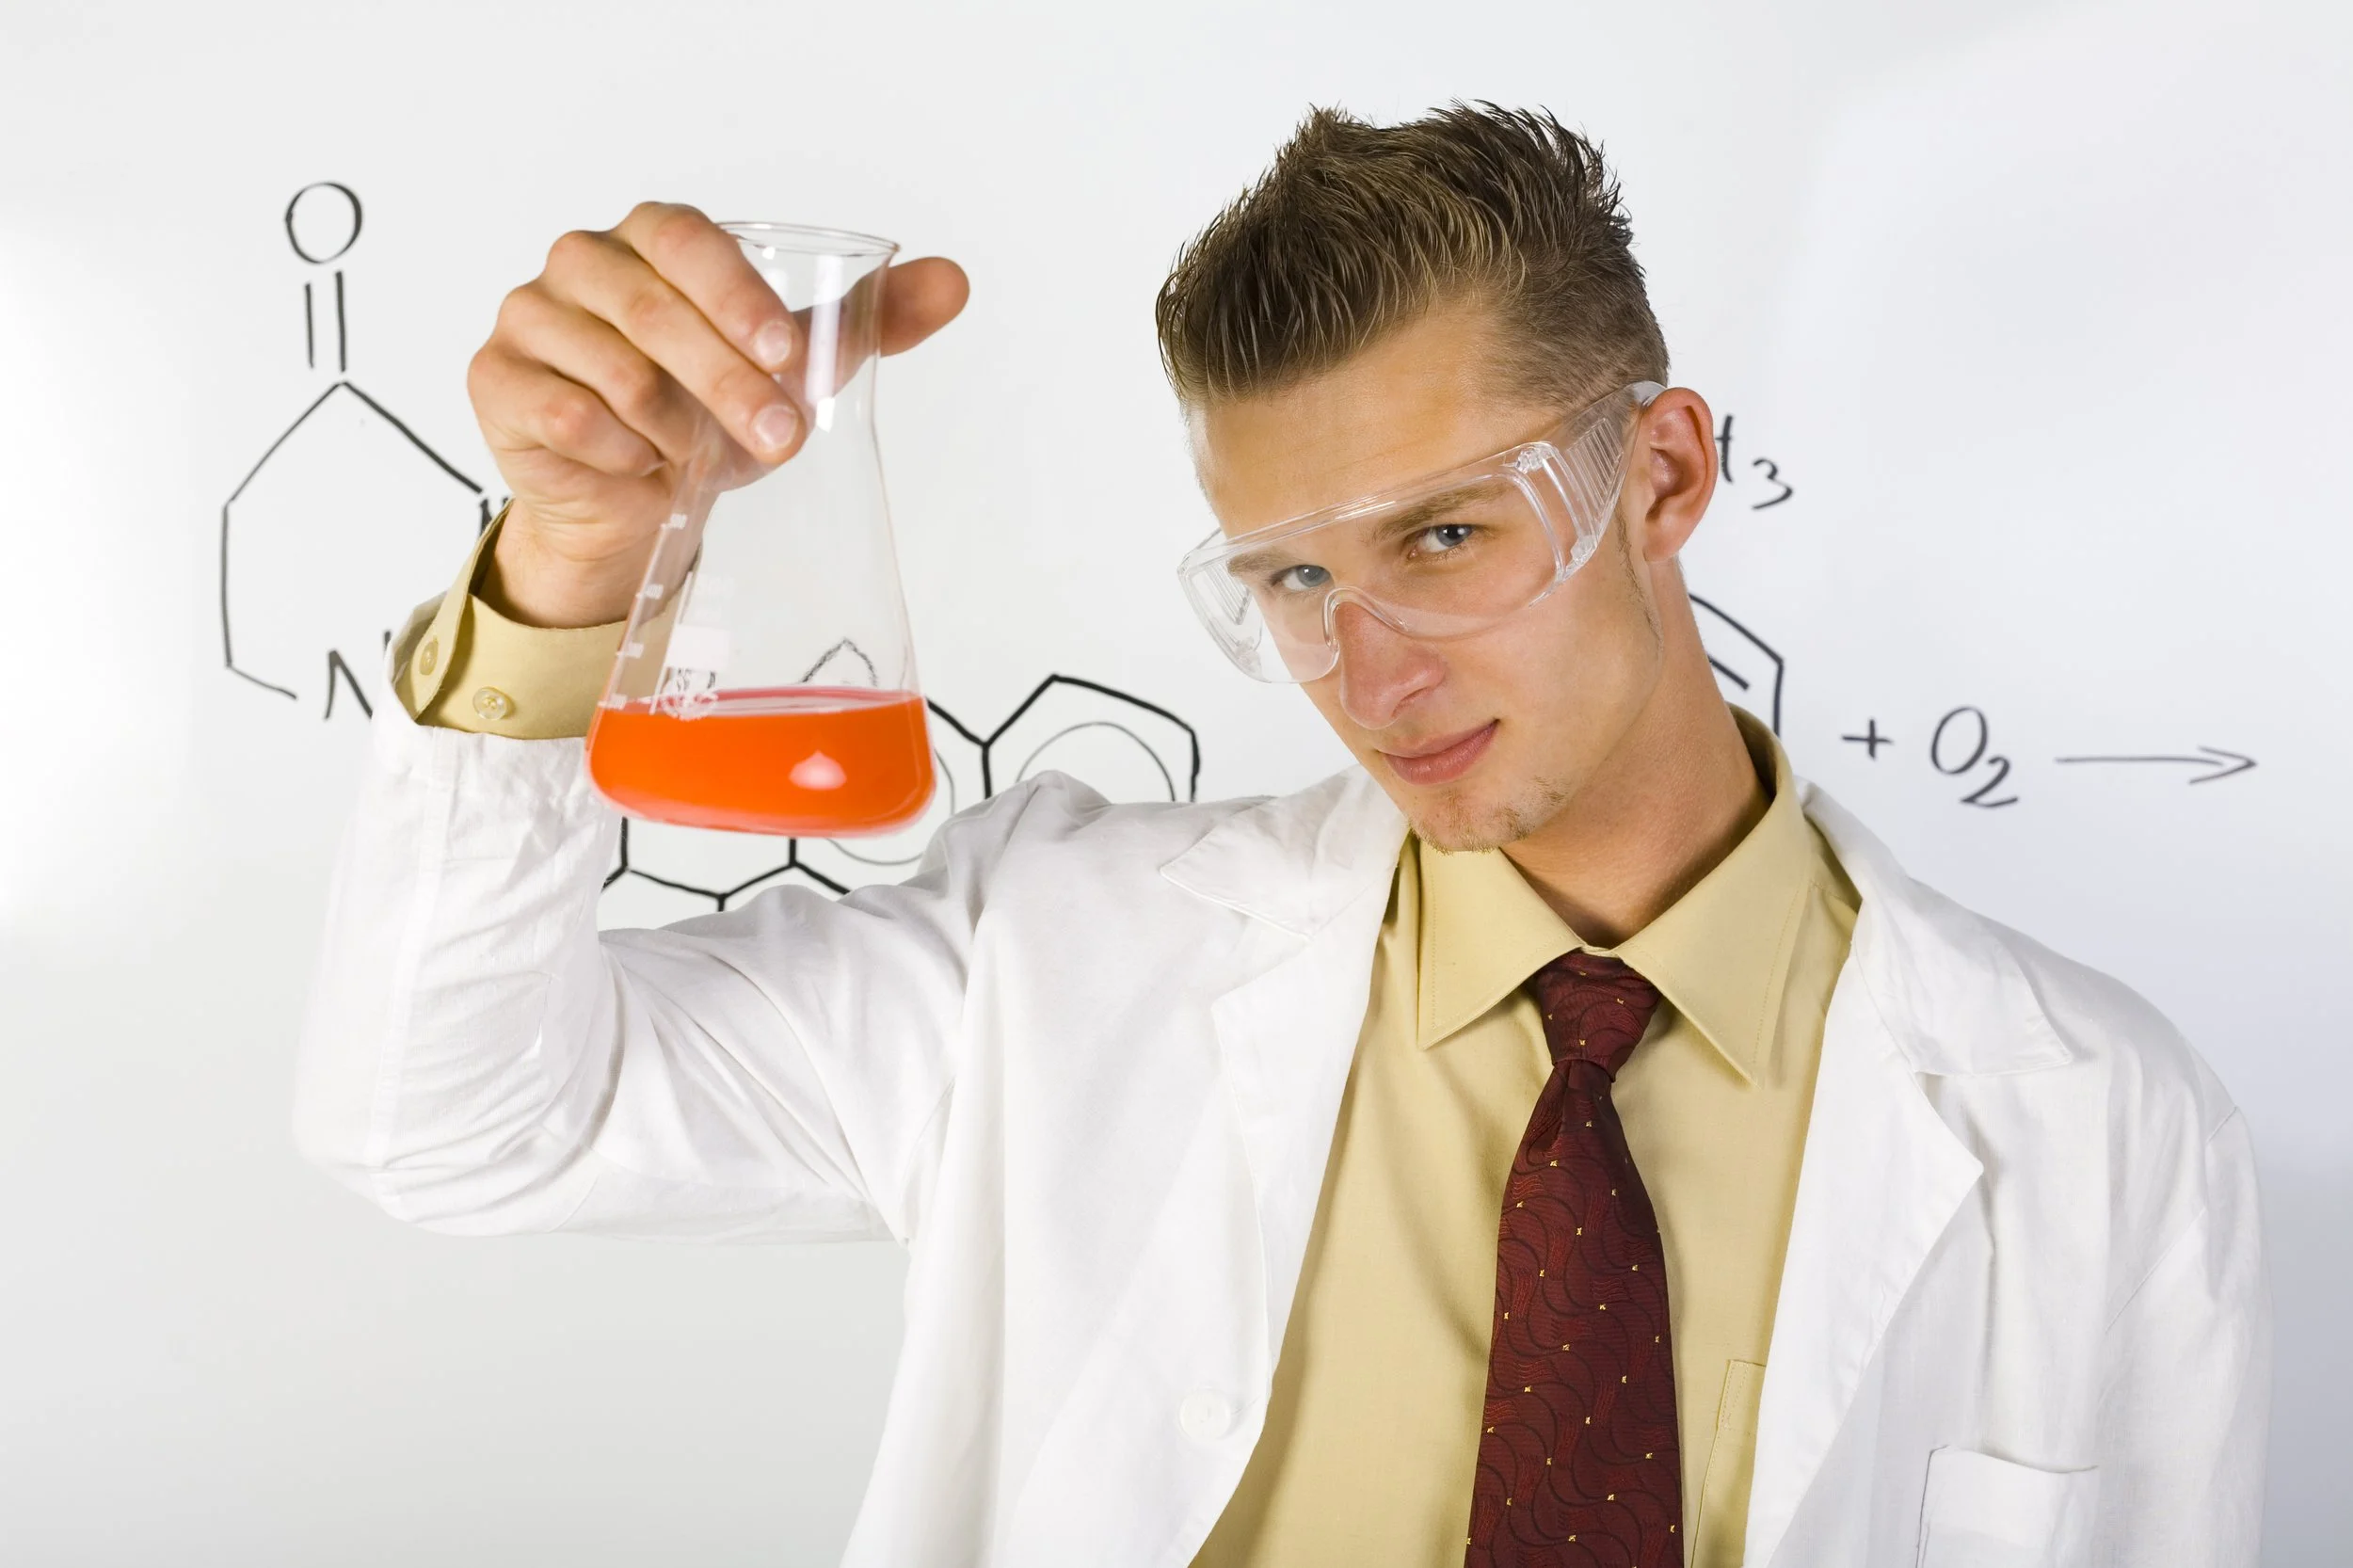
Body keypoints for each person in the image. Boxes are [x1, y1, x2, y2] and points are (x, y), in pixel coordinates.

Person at [294, 104, 2268, 1567]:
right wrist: (572, 558)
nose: (1367, 662)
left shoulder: (2098, 1119)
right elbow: (458, 1121)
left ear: (1657, 471)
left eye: (1440, 534)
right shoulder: (1059, 960)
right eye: (1286, 576)